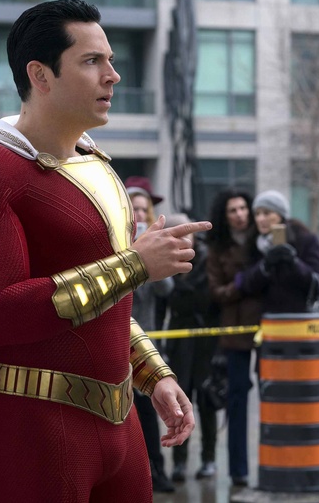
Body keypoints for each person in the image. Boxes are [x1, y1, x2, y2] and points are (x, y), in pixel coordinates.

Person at [0, 0, 211, 502]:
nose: (113, 75)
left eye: (111, 60)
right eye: (92, 61)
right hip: (34, 429)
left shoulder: (96, 164)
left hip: (121, 424)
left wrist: (152, 373)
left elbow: (108, 305)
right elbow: (0, 313)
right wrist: (136, 264)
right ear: (40, 74)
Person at [157, 213, 219, 483]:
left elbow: (218, 303)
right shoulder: (165, 263)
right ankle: (180, 462)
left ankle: (209, 459)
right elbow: (160, 308)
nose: (184, 239)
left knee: (206, 399)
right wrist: (159, 345)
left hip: (207, 338)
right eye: (177, 234)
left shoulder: (209, 259)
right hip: (179, 337)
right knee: (180, 401)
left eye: (187, 234)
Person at [205, 190, 261, 487]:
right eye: (232, 210)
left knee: (273, 396)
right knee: (236, 400)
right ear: (224, 216)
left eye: (243, 208)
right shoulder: (218, 249)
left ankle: (273, 463)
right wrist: (242, 284)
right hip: (235, 330)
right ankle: (238, 471)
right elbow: (216, 292)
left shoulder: (263, 240)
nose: (240, 214)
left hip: (267, 328)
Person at [125, 175, 176, 493]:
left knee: (148, 409)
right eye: (135, 208)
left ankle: (156, 470)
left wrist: (149, 260)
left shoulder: (156, 242)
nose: (140, 214)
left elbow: (167, 289)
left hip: (146, 345)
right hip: (117, 341)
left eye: (144, 209)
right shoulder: (115, 241)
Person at [236, 190, 319, 314]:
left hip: (300, 317)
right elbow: (243, 284)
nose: (260, 219)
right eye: (257, 214)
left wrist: (294, 262)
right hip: (264, 319)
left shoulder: (305, 240)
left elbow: (318, 283)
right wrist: (264, 266)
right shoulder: (252, 243)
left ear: (280, 215)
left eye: (267, 213)